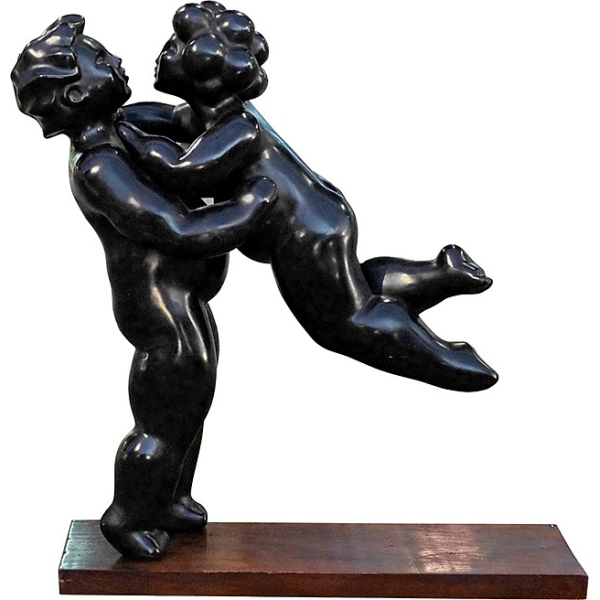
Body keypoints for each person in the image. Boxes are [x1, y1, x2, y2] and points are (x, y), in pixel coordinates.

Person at [118, 1, 498, 393]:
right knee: (355, 288)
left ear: (201, 73)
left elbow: (182, 167)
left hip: (303, 234)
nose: (161, 56)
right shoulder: (212, 116)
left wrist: (129, 138)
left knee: (345, 322)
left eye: (172, 49)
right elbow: (167, 118)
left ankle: (446, 358)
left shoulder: (238, 129)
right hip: (320, 217)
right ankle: (441, 273)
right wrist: (118, 118)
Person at [11, 15, 278, 559]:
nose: (115, 60)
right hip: (160, 311)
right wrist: (250, 208)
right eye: (99, 59)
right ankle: (128, 515)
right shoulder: (99, 167)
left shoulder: (125, 124)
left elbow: (183, 121)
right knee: (163, 416)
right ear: (77, 92)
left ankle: (169, 497)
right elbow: (177, 228)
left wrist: (220, 111)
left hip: (185, 299)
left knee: (191, 404)